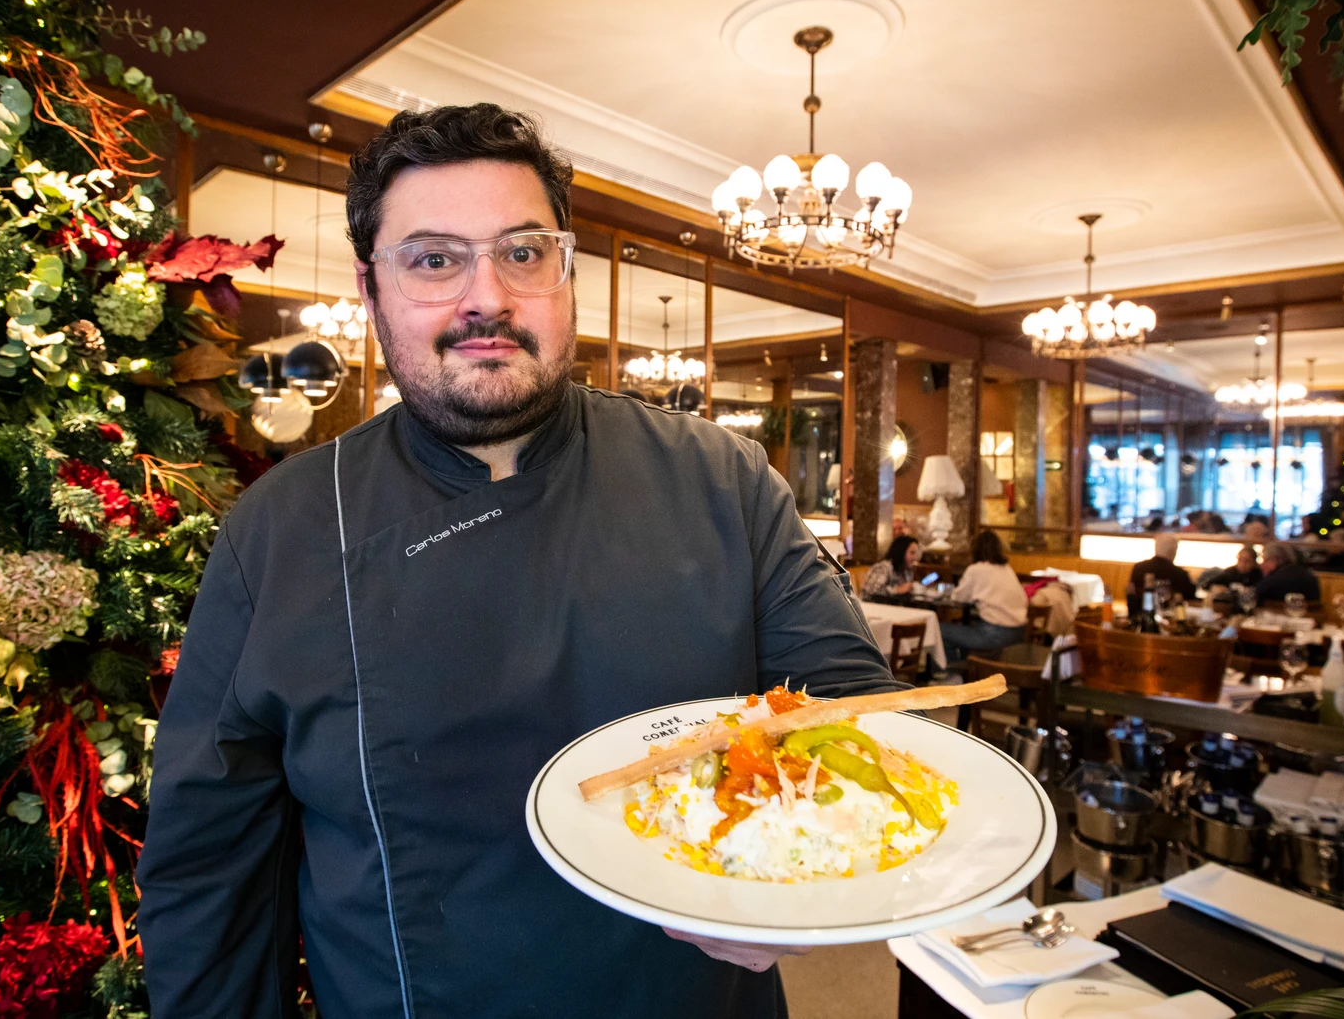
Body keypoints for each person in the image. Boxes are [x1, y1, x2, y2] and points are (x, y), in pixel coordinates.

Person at [135, 104, 903, 1019]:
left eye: (524, 252)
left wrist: (807, 881)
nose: (487, 297)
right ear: (370, 286)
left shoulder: (720, 476)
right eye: (432, 259)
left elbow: (857, 715)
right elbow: (209, 868)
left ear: (567, 272)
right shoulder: (281, 526)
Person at [939, 530, 1029, 669]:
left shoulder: (976, 569)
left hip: (994, 635)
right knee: (965, 630)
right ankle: (965, 668)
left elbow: (958, 597)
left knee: (939, 629)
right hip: (1018, 633)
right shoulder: (1006, 569)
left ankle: (951, 672)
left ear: (975, 549)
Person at [1126, 532, 1196, 610]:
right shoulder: (1180, 573)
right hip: (1170, 616)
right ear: (1172, 551)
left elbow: (1131, 593)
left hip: (1139, 613)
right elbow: (1191, 598)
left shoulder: (1139, 567)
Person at [1254, 540, 1321, 604]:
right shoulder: (1309, 576)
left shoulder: (1273, 581)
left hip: (1275, 615)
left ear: (1273, 560)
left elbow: (1256, 597)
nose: (1262, 565)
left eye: (1265, 560)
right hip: (1312, 615)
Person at [863, 534, 923, 598]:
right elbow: (872, 590)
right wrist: (896, 590)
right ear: (901, 551)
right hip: (873, 606)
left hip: (893, 606)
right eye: (912, 553)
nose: (916, 557)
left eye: (916, 553)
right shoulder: (884, 567)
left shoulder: (907, 570)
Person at [1198, 545, 1263, 591]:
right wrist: (1215, 588)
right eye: (1240, 560)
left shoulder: (1258, 575)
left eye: (1247, 561)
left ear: (1254, 563)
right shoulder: (1231, 572)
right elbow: (1206, 585)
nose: (1243, 564)